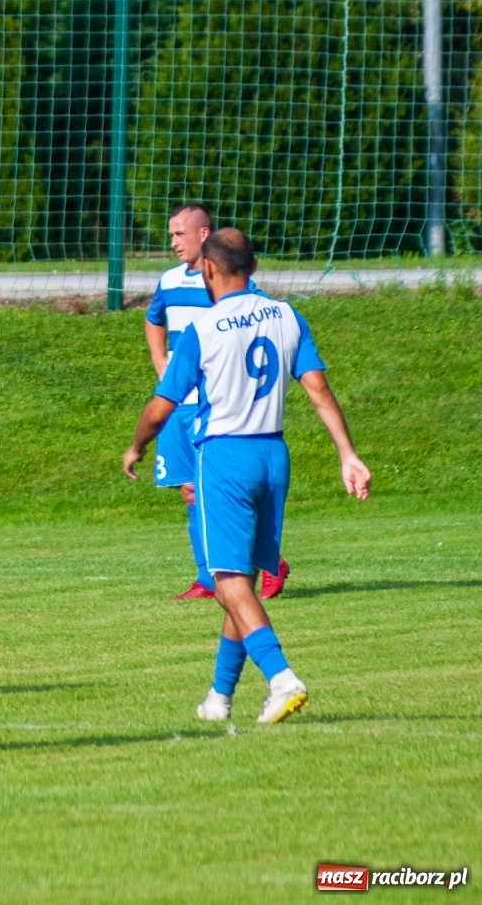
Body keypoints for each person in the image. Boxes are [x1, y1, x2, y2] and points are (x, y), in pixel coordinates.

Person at [123, 228, 369, 725]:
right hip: (273, 455)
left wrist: (136, 446)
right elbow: (318, 389)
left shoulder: (205, 329)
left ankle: (282, 677)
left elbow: (161, 406)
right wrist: (348, 453)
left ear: (208, 270)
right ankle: (218, 698)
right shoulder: (286, 315)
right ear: (253, 268)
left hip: (226, 455)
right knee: (246, 581)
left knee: (228, 580)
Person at [147, 205, 289, 601]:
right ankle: (206, 579)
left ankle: (265, 560)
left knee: (214, 490)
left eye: (180, 234)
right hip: (177, 400)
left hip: (215, 404)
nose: (173, 241)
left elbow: (256, 316)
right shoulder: (169, 280)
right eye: (171, 234)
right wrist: (161, 361)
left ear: (204, 234)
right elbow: (153, 317)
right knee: (190, 490)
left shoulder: (226, 280)